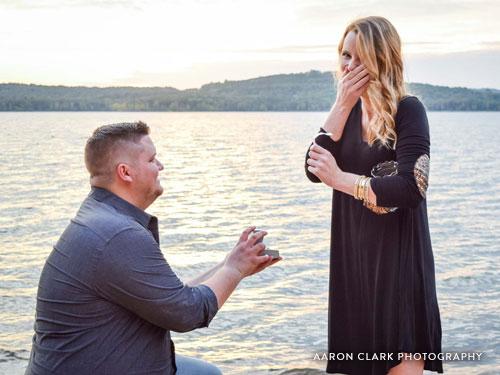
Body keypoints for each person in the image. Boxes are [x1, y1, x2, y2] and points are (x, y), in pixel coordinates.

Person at [26, 121, 281, 375]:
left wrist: (231, 263)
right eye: (152, 160)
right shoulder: (118, 234)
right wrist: (234, 270)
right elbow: (186, 313)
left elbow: (171, 298)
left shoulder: (103, 216)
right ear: (125, 172)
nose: (160, 167)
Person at [305, 17, 443, 375]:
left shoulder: (408, 110)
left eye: (359, 57)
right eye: (344, 55)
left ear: (382, 59)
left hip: (397, 266)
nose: (348, 66)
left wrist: (343, 179)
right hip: (352, 265)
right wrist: (340, 105)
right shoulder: (346, 116)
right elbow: (312, 168)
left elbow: (412, 187)